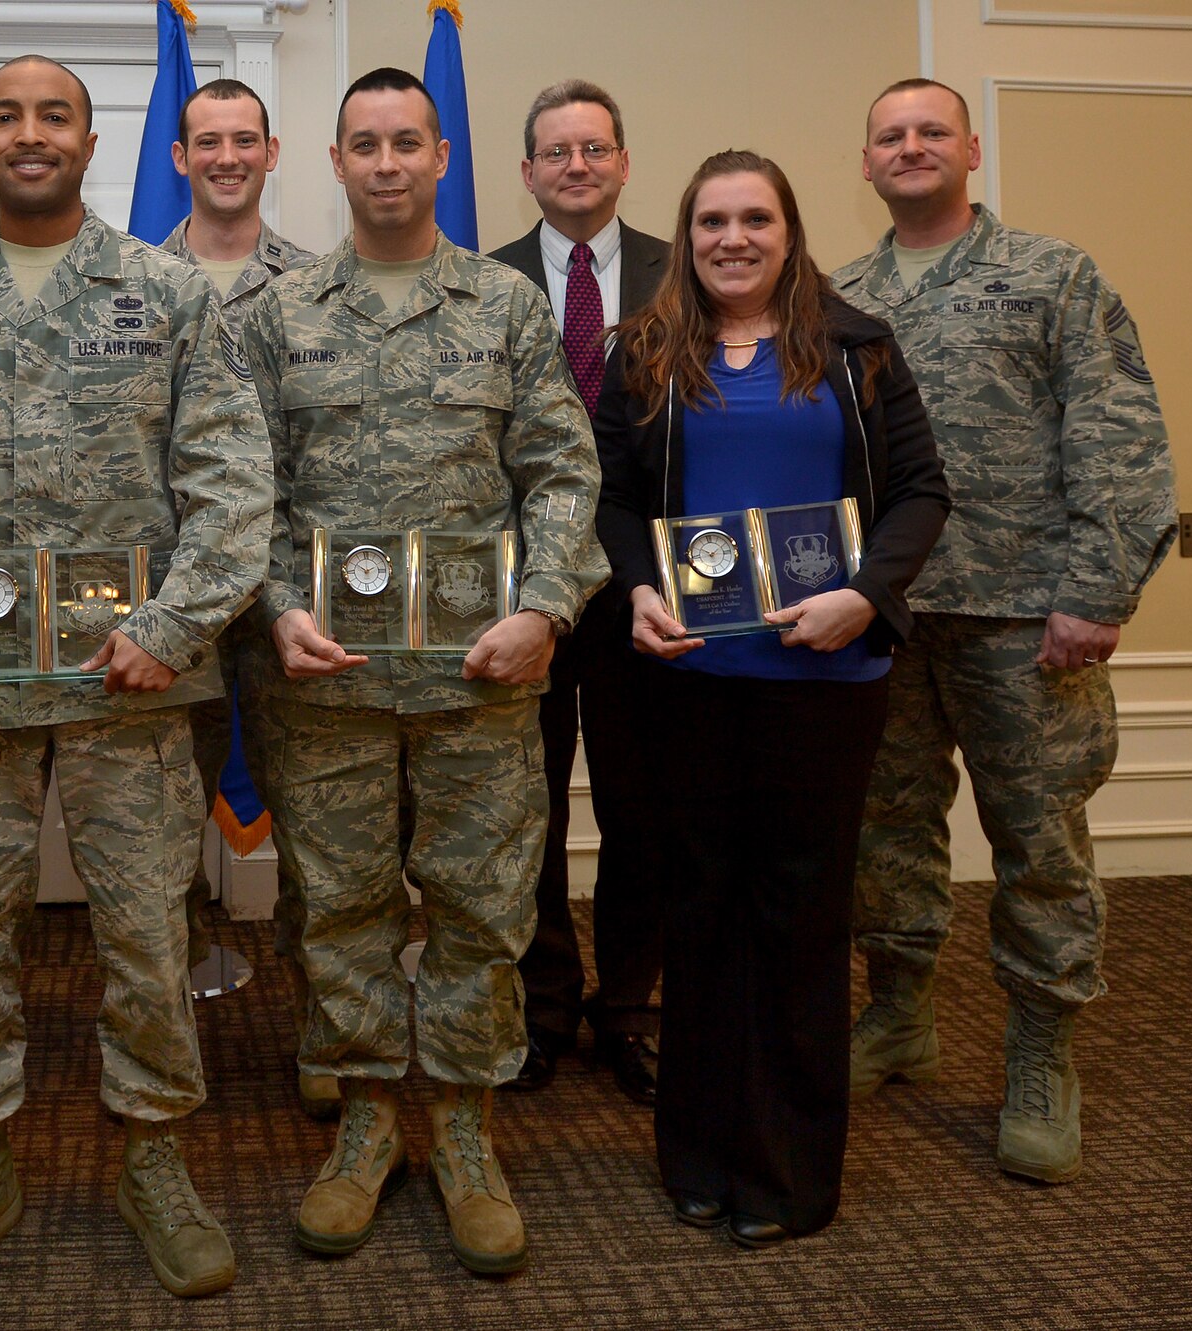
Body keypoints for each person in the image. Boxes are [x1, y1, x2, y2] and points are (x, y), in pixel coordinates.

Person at [0, 55, 271, 1306]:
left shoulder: (166, 294)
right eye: (3, 117)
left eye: (54, 116)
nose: (28, 135)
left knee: (146, 937)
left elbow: (232, 488)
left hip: (130, 688)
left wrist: (174, 626)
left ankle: (154, 1155)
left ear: (94, 141)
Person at [244, 67, 605, 1276]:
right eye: (365, 144)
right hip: (326, 686)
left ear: (440, 158)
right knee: (338, 914)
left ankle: (459, 1129)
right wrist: (278, 609)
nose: (387, 162)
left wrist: (547, 606)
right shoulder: (276, 316)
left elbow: (560, 472)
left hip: (478, 681)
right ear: (334, 163)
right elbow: (241, 491)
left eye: (408, 142)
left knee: (478, 911)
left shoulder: (503, 308)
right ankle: (361, 1125)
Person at [594, 149, 948, 1248]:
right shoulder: (642, 353)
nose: (731, 239)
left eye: (753, 218)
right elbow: (608, 500)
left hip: (824, 679)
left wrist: (865, 594)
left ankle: (790, 1170)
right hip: (690, 678)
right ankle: (697, 1155)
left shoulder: (855, 350)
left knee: (797, 919)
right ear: (686, 236)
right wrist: (637, 589)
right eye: (710, 222)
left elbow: (921, 490)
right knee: (698, 910)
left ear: (789, 231)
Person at [836, 79, 1177, 1183]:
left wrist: (1097, 588)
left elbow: (1118, 428)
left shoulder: (1050, 273)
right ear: (865, 161)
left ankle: (1039, 1048)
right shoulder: (840, 293)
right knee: (885, 832)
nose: (910, 146)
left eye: (930, 129)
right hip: (883, 614)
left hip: (1024, 612)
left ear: (970, 147)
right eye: (889, 134)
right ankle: (898, 1010)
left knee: (1037, 841)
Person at [488, 78, 667, 1102]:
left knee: (643, 808)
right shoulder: (483, 281)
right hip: (525, 593)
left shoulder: (683, 274)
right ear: (526, 172)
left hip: (648, 587)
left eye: (594, 149)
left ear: (622, 162)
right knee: (530, 810)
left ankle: (630, 1007)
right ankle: (543, 1003)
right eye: (556, 152)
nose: (577, 167)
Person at [159, 76, 329, 1118]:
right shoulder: (131, 286)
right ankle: (166, 1031)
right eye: (204, 141)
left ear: (272, 153)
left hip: (283, 612)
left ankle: (323, 1024)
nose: (224, 156)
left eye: (242, 140)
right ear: (178, 158)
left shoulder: (316, 287)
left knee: (317, 832)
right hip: (163, 611)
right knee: (158, 835)